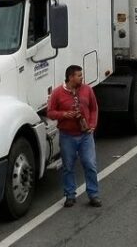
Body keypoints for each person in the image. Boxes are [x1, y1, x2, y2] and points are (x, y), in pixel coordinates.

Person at [47, 65, 100, 208]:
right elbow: (50, 113)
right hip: (67, 136)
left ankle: (93, 194)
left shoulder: (87, 90)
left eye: (81, 75)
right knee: (68, 167)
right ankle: (70, 195)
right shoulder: (57, 93)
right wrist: (64, 114)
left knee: (90, 164)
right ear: (70, 77)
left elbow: (94, 108)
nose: (82, 78)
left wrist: (92, 124)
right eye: (79, 76)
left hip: (86, 136)